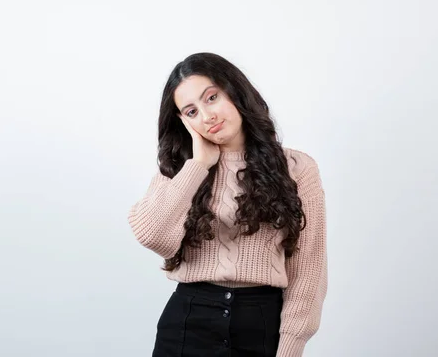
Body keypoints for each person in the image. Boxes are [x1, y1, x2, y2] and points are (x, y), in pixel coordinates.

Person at [127, 52, 327, 357]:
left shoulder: (298, 168)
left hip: (261, 323)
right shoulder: (181, 168)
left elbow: (307, 271)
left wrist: (291, 346)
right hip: (189, 320)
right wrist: (199, 166)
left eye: (212, 97)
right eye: (191, 111)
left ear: (235, 90)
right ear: (183, 122)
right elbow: (153, 235)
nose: (207, 116)